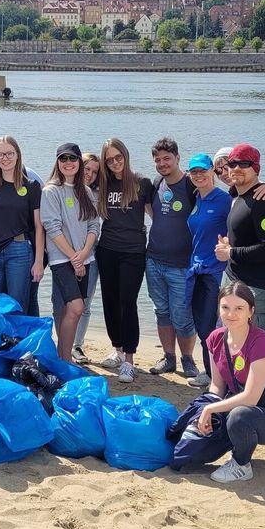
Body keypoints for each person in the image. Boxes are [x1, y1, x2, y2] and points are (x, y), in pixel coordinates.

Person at [171, 282, 265, 482]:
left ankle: (241, 464)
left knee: (239, 416)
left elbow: (251, 398)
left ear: (251, 311)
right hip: (233, 406)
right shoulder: (215, 338)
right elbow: (217, 387)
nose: (231, 314)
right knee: (195, 456)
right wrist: (205, 413)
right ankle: (232, 439)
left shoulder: (260, 341)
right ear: (218, 309)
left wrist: (211, 410)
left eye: (239, 308)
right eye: (225, 307)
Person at [95, 138, 154, 383]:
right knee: (109, 300)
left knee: (127, 301)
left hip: (133, 251)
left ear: (126, 156)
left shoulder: (142, 183)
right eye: (109, 160)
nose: (115, 162)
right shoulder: (102, 184)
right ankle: (117, 350)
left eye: (118, 157)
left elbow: (156, 216)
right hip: (107, 248)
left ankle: (129, 360)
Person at [146, 138, 200, 379]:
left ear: (178, 158)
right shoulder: (157, 182)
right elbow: (152, 212)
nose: (162, 163)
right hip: (154, 260)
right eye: (157, 160)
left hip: (182, 265)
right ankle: (169, 357)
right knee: (162, 312)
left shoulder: (192, 185)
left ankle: (188, 359)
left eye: (167, 158)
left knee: (183, 316)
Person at [41, 143, 100, 362]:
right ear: (57, 162)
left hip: (85, 258)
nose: (68, 163)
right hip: (61, 260)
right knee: (76, 307)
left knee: (73, 311)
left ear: (79, 162)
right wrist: (74, 257)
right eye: (63, 159)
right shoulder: (50, 191)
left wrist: (84, 253)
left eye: (72, 159)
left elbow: (94, 225)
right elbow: (52, 226)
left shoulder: (84, 191)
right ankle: (64, 359)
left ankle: (64, 358)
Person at [214, 144, 265, 329]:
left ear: (256, 168)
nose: (236, 169)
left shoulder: (263, 200)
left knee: (248, 347)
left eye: (244, 164)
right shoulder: (238, 196)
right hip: (233, 278)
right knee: (228, 340)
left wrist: (231, 252)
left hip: (255, 286)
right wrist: (231, 243)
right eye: (232, 164)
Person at [0, 136, 44, 313]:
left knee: (16, 307)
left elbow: (38, 226)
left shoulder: (31, 186)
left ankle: (15, 341)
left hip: (19, 251)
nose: (5, 158)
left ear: (18, 155)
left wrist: (39, 261)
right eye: (0, 154)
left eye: (9, 153)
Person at [184, 153, 232, 388]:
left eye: (203, 170)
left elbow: (237, 228)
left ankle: (216, 374)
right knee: (201, 325)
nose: (199, 175)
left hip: (214, 272)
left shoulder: (224, 200)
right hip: (195, 271)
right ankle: (210, 371)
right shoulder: (198, 199)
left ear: (213, 170)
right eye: (194, 172)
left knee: (208, 327)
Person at [70, 152, 102, 362]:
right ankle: (64, 343)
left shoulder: (97, 194)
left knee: (86, 302)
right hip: (65, 254)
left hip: (91, 253)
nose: (89, 174)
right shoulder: (63, 190)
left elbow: (95, 226)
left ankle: (77, 345)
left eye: (94, 171)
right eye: (87, 168)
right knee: (66, 301)